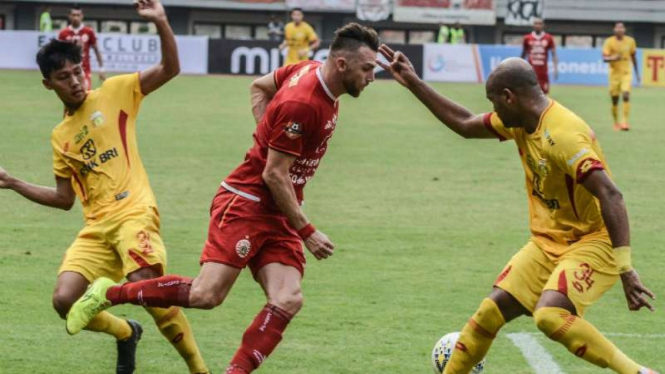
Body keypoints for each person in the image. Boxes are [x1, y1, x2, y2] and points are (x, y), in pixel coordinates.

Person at [378, 46, 658, 374]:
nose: (492, 108)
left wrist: (626, 268)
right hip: (547, 242)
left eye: (493, 100)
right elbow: (466, 123)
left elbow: (611, 194)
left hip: (593, 241)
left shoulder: (563, 134)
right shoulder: (519, 122)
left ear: (509, 97)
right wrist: (413, 82)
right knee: (488, 314)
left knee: (549, 315)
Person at [0, 1, 210, 373]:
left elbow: (171, 68)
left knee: (148, 285)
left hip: (134, 213)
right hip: (96, 228)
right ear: (48, 84)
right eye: (64, 77)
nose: (76, 80)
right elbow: (64, 199)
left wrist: (161, 21)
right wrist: (13, 183)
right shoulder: (60, 137)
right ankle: (126, 332)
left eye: (77, 71)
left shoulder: (114, 93)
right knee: (64, 301)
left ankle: (199, 369)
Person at [58, 4, 105, 90]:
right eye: (73, 15)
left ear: (82, 16)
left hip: (84, 70)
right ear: (69, 16)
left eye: (78, 15)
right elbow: (59, 53)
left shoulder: (89, 31)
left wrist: (101, 68)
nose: (76, 17)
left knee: (86, 93)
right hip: (68, 70)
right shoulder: (63, 33)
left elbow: (96, 50)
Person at [603, 22, 640, 131]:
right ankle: (616, 123)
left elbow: (633, 57)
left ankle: (624, 122)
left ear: (624, 29)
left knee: (626, 94)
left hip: (626, 73)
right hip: (614, 74)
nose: (619, 29)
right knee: (614, 99)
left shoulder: (630, 41)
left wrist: (637, 73)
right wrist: (614, 58)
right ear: (614, 30)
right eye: (617, 27)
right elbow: (605, 58)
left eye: (621, 27)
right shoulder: (609, 42)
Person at [521, 18, 558, 94]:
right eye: (536, 23)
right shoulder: (527, 38)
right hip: (530, 71)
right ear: (533, 25)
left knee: (543, 96)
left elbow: (554, 54)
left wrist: (555, 68)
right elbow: (523, 54)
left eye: (540, 24)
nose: (538, 26)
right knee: (530, 94)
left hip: (543, 72)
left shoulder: (548, 38)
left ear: (543, 25)